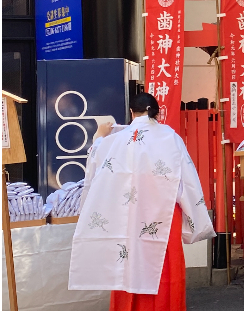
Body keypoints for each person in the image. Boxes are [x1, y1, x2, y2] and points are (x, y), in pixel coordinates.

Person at [69, 93, 216, 310]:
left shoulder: (115, 140)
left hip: (125, 216)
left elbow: (96, 160)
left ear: (131, 112)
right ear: (158, 113)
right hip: (163, 216)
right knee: (164, 269)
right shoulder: (171, 138)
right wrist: (195, 220)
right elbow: (188, 183)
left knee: (125, 264)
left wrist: (99, 136)